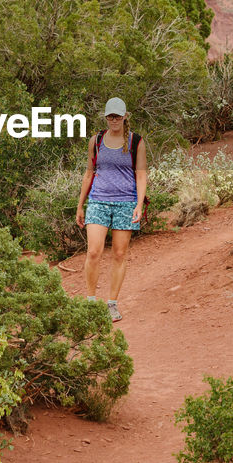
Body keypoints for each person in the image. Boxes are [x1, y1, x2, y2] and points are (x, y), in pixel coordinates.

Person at [75, 97, 147, 322]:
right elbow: (89, 173)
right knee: (94, 251)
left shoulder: (136, 142)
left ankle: (112, 304)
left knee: (119, 253)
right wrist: (80, 205)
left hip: (126, 201)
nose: (114, 120)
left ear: (126, 116)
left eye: (118, 116)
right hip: (98, 200)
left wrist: (139, 203)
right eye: (110, 116)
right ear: (105, 117)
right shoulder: (96, 140)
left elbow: (141, 174)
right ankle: (90, 302)